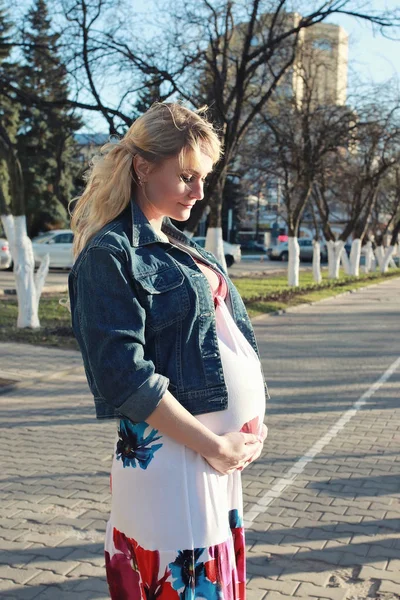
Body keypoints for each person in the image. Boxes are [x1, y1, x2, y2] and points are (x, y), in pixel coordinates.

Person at [68, 101, 269, 599]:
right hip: (176, 460)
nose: (199, 193)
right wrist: (215, 445)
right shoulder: (109, 253)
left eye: (202, 177)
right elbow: (123, 376)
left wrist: (251, 421)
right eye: (185, 177)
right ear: (142, 166)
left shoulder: (178, 242)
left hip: (210, 461)